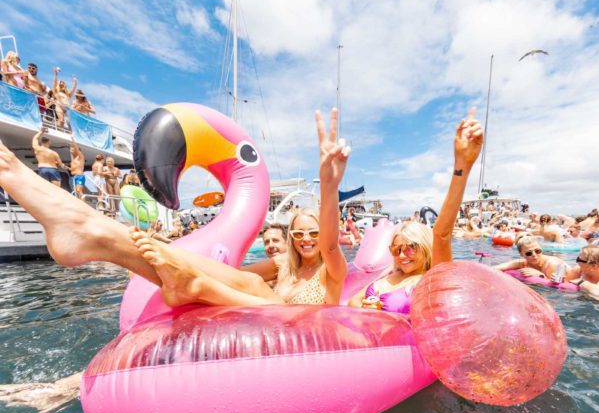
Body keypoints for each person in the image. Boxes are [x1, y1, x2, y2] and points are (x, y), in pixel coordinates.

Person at [0, 108, 348, 308]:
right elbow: (228, 272)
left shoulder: (331, 270)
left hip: (297, 330)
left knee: (253, 288)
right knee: (242, 279)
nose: (306, 239)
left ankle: (187, 282)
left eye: (313, 233)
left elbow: (332, 244)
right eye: (299, 232)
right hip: (254, 309)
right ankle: (95, 233)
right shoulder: (281, 265)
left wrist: (328, 186)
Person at [349, 107, 484, 314]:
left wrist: (462, 167)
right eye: (396, 249)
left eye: (411, 247)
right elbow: (352, 302)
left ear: (425, 247)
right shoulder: (388, 274)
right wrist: (368, 307)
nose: (403, 255)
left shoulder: (432, 278)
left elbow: (441, 234)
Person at [493, 235, 569, 281]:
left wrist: (541, 275)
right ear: (521, 254)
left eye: (538, 251)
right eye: (529, 253)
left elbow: (557, 288)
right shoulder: (522, 263)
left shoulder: (552, 264)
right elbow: (498, 267)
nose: (534, 255)